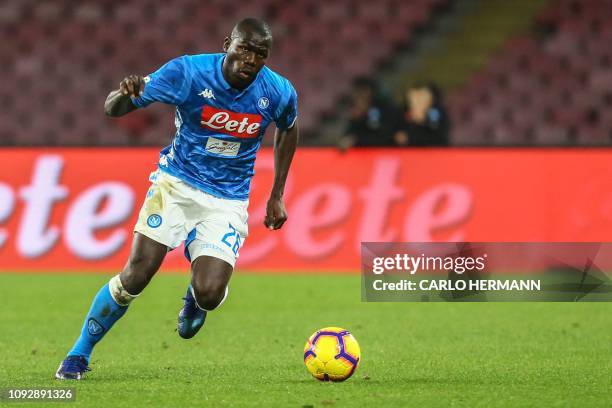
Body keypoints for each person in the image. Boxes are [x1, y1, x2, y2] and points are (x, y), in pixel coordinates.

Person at [55, 18, 299, 380]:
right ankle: (79, 353)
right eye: (244, 49)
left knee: (211, 293)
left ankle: (196, 297)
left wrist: (277, 193)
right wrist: (126, 93)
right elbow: (112, 108)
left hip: (228, 198)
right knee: (136, 275)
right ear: (227, 43)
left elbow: (288, 126)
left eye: (260, 54)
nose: (250, 60)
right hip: (176, 184)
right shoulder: (188, 72)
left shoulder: (278, 91)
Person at [338, 77, 400, 149]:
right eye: (356, 92)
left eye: (361, 91)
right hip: (363, 154)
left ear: (369, 91)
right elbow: (350, 134)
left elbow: (384, 136)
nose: (358, 95)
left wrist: (357, 140)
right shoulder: (356, 110)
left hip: (387, 152)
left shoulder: (384, 107)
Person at [394, 82, 450, 146]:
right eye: (414, 97)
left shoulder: (436, 113)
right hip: (406, 153)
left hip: (432, 152)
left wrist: (422, 121)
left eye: (421, 97)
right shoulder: (402, 113)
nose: (417, 100)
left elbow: (440, 137)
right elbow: (395, 136)